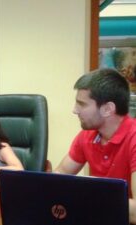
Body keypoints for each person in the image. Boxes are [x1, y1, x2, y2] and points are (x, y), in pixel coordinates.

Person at [54, 68, 136, 224]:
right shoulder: (88, 135)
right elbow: (60, 174)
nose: (74, 110)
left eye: (82, 104)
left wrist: (87, 195)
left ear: (107, 109)